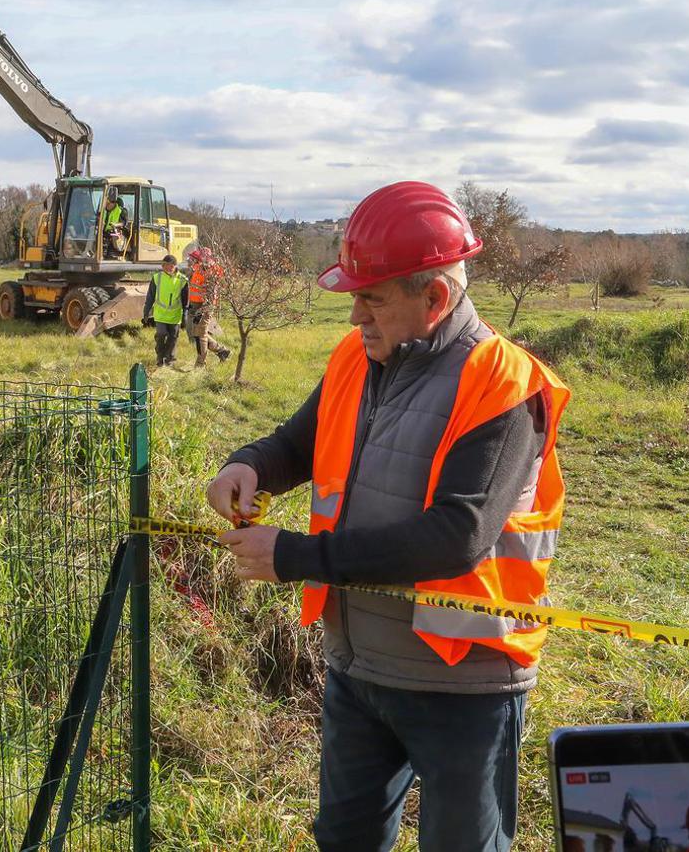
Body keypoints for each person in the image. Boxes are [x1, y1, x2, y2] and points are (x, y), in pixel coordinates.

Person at [205, 181, 570, 852]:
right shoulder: (358, 357)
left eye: (370, 298)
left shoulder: (505, 386)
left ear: (434, 298)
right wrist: (249, 465)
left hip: (466, 684)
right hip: (358, 671)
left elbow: (457, 537)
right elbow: (298, 443)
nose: (355, 318)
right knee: (345, 840)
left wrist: (294, 557)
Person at [185, 246, 232, 366]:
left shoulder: (211, 271)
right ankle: (222, 351)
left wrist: (202, 311)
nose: (191, 260)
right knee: (199, 334)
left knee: (200, 335)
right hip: (196, 305)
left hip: (205, 306)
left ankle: (200, 364)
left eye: (194, 258)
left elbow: (211, 296)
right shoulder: (199, 268)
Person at [142, 254, 187, 367]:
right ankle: (160, 357)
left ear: (175, 266)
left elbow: (186, 300)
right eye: (165, 265)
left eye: (170, 265)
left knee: (173, 338)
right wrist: (146, 311)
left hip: (175, 315)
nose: (167, 267)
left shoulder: (183, 280)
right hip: (160, 314)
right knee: (161, 335)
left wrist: (185, 316)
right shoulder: (157, 278)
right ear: (162, 266)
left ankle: (170, 359)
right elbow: (150, 296)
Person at [103, 189, 131, 259]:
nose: (106, 205)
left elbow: (124, 223)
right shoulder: (105, 211)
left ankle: (118, 253)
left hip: (118, 232)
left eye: (108, 203)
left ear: (114, 203)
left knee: (114, 234)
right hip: (105, 231)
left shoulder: (122, 211)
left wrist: (116, 225)